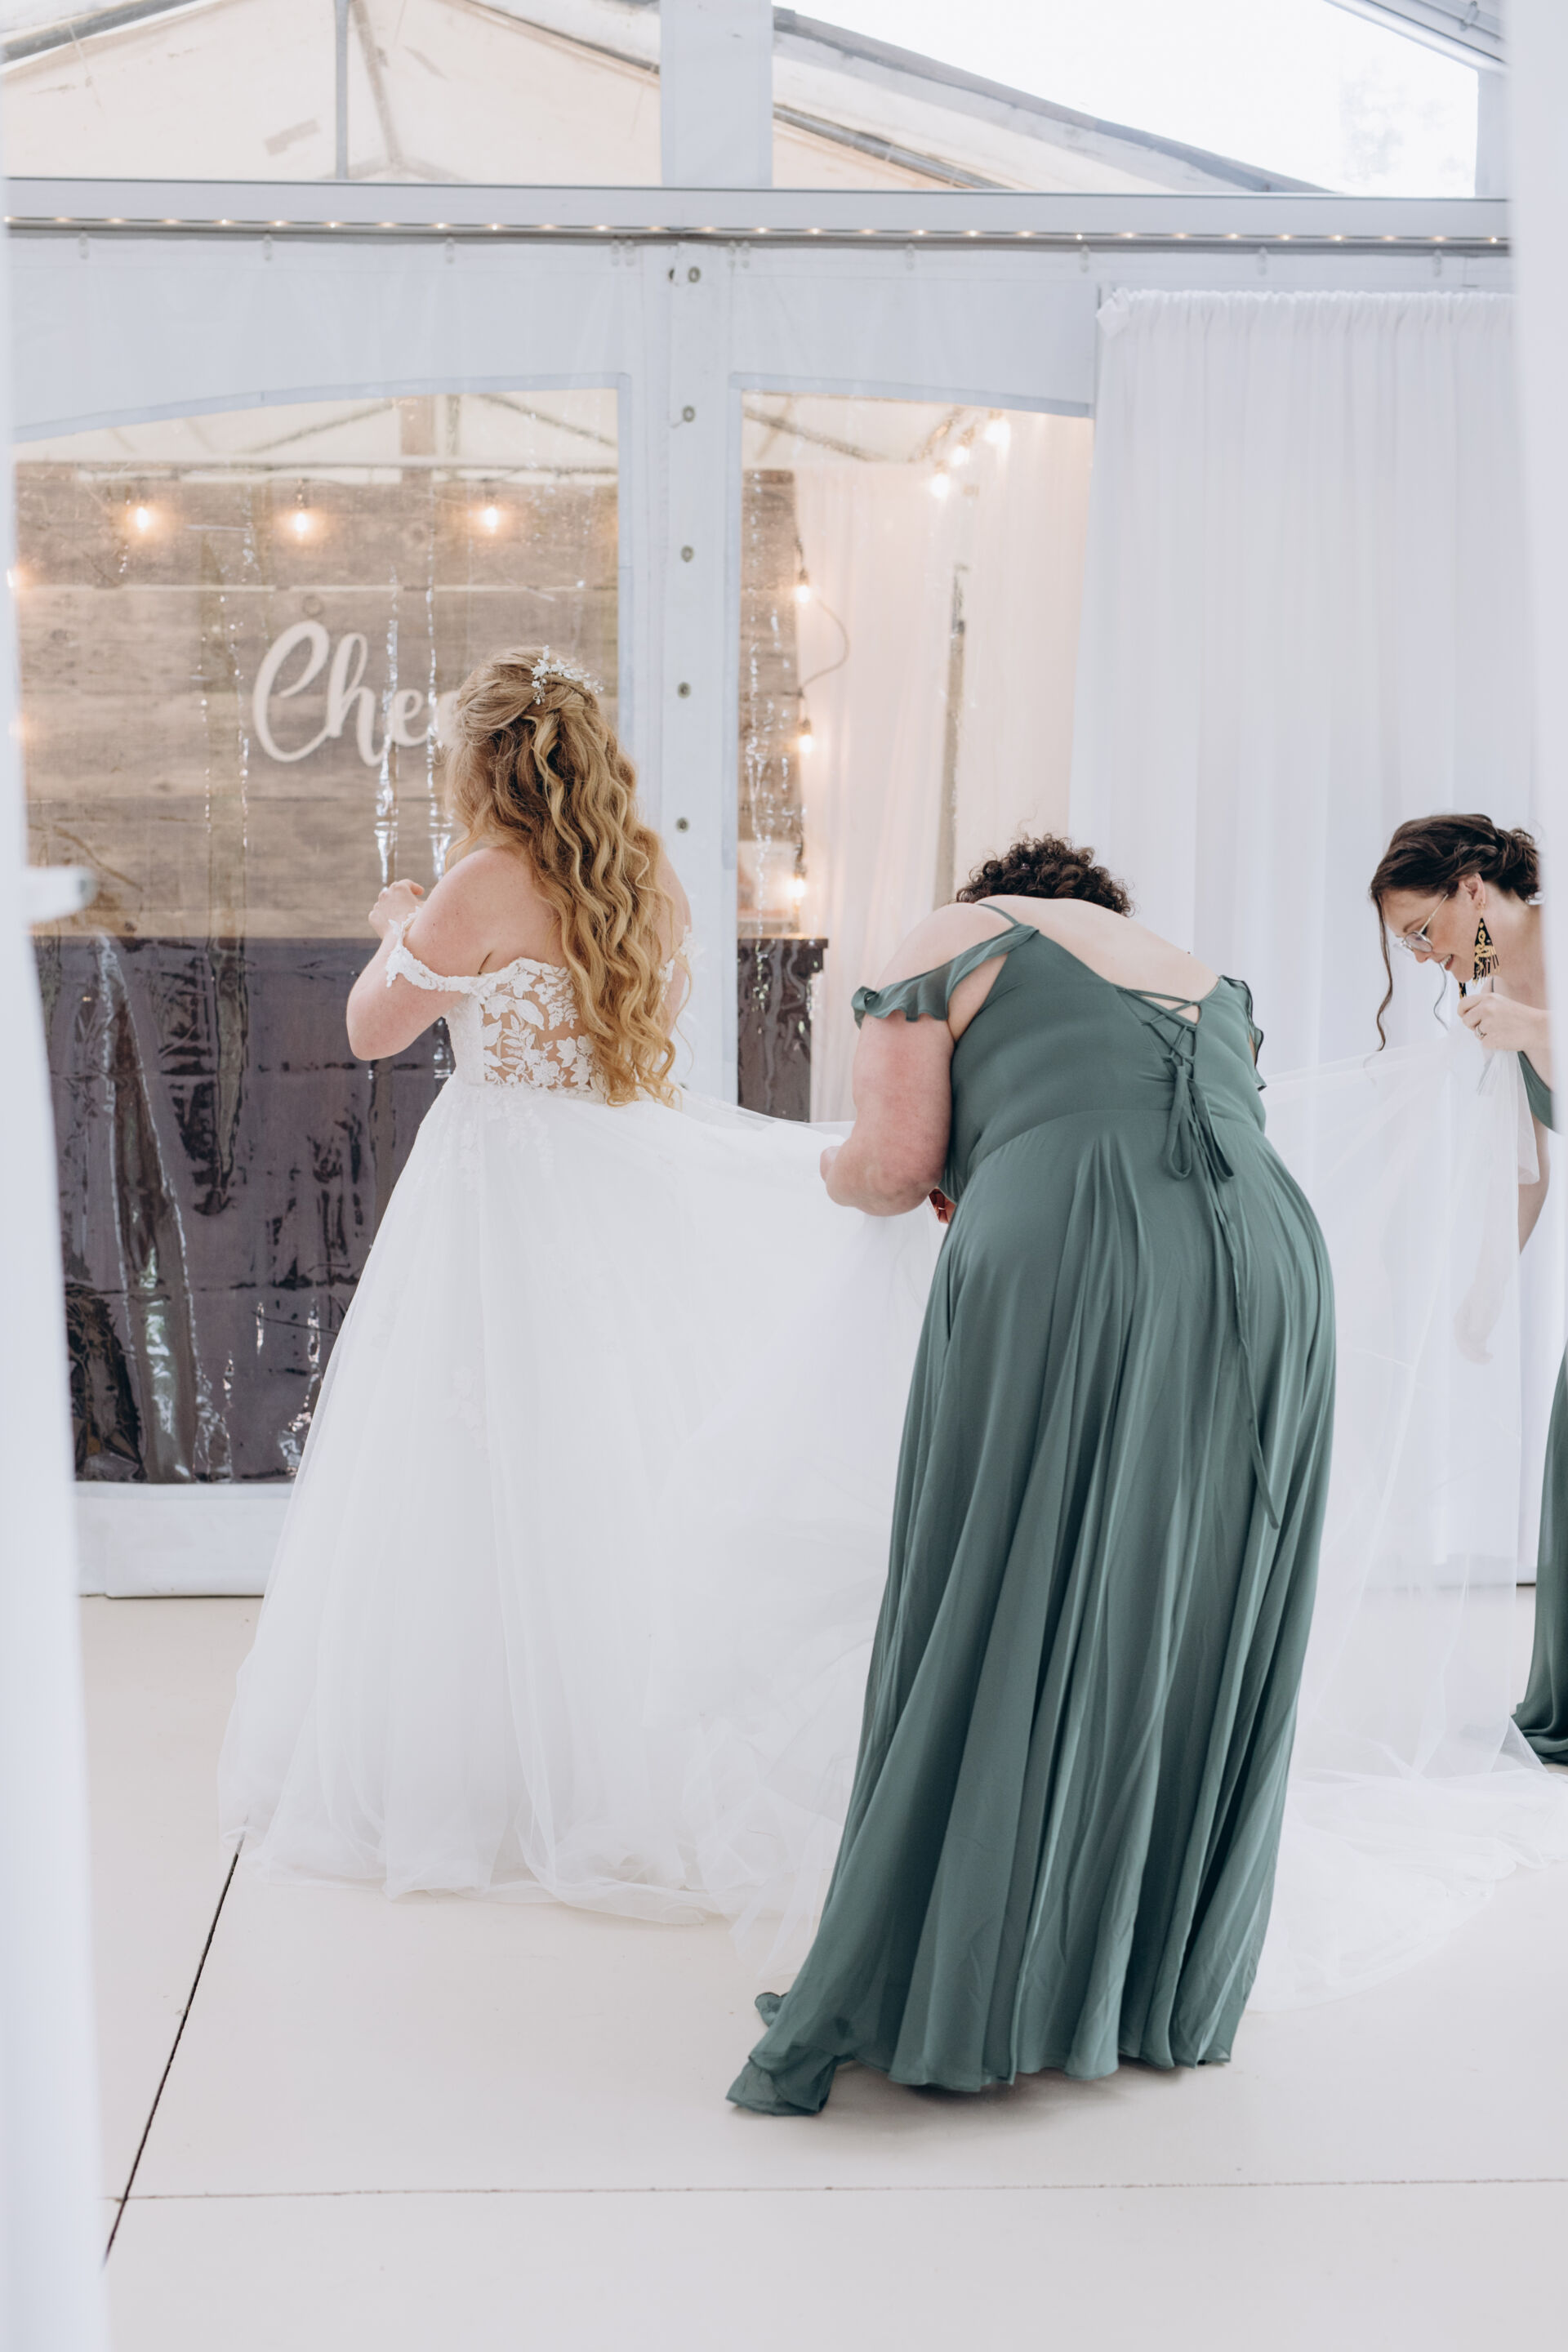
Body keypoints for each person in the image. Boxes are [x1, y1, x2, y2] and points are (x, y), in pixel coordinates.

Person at [217, 648, 937, 1912]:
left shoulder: (483, 878)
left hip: (498, 1189)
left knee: (467, 1467)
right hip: (613, 1176)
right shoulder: (644, 876)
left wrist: (397, 925)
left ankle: (478, 1767)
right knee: (611, 1454)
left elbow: (372, 1029)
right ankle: (620, 1757)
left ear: (478, 764)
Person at [728, 835, 1336, 2113]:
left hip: (1076, 1243)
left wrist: (835, 1174)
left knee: (1003, 1579)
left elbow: (894, 1165)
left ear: (999, 895)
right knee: (1188, 1604)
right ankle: (1136, 1985)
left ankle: (975, 1981)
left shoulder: (956, 934)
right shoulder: (1200, 973)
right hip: (1274, 1266)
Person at [1369, 813, 1566, 1764]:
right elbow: (1529, 1168)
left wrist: (1540, 1030)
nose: (1422, 957)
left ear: (1474, 890)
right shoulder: (1489, 990)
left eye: (1423, 931)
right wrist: (1486, 1291)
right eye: (1407, 945)